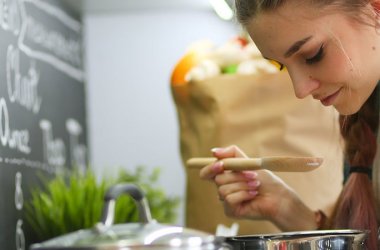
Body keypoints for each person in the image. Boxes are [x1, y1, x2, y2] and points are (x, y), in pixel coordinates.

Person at [199, 1, 380, 249]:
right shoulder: (366, 117)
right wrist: (284, 206)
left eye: (312, 55)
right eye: (282, 66)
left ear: (375, 8)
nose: (300, 89)